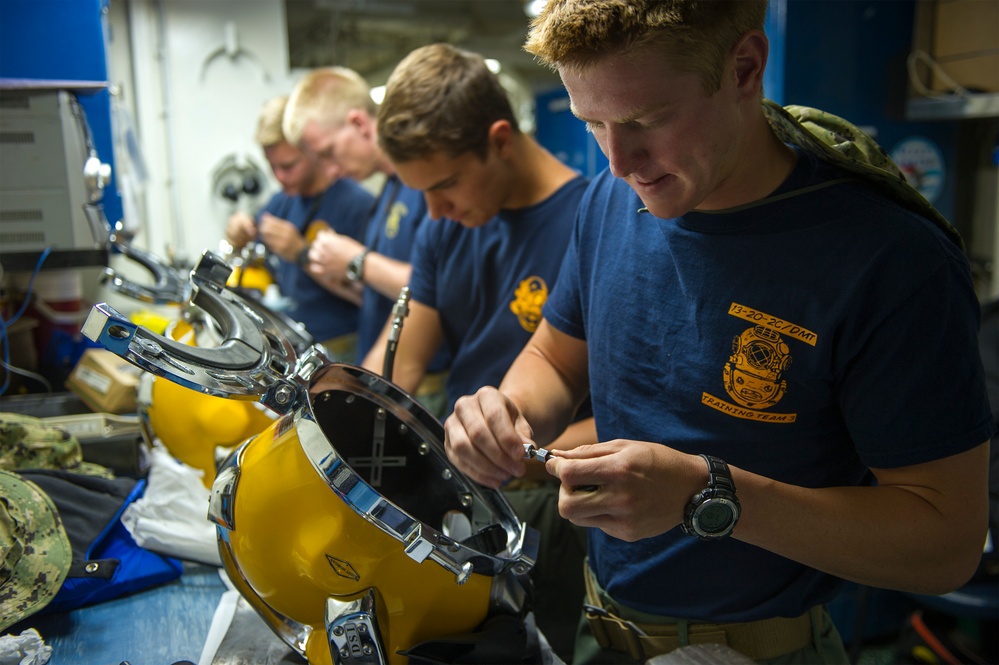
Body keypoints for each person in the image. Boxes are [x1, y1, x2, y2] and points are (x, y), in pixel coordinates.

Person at [442, 2, 996, 664]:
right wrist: (506, 410)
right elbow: (556, 359)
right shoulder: (609, 203)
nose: (620, 161)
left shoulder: (886, 259)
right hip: (605, 625)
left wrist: (706, 496)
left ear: (743, 67)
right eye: (594, 125)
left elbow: (944, 544)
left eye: (645, 121)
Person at [361, 42, 596, 660]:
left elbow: (627, 418)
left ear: (499, 140)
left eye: (444, 186)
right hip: (462, 484)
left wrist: (517, 455)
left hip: (549, 495)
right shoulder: (444, 225)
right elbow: (400, 365)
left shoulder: (589, 225)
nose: (434, 212)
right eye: (421, 196)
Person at [281, 67, 450, 417]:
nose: (330, 171)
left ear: (359, 124)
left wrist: (357, 261)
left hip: (422, 387)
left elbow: (437, 288)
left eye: (329, 153)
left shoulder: (422, 187)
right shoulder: (388, 190)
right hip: (384, 375)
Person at [224, 95, 374, 360]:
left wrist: (300, 252)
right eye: (272, 166)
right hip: (294, 343)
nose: (279, 177)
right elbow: (251, 243)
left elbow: (370, 294)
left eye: (288, 166)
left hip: (343, 346)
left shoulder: (356, 204)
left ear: (312, 149)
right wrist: (237, 233)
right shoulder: (282, 202)